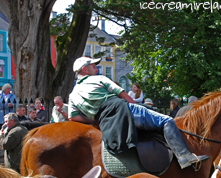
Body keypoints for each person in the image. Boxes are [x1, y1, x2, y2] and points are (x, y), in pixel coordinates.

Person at [68, 57, 208, 170]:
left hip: (106, 122)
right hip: (124, 111)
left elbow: (73, 117)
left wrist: (93, 121)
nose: (97, 69)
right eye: (93, 66)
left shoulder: (73, 95)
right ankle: (184, 157)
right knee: (166, 121)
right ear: (84, 69)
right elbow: (124, 96)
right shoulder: (99, 79)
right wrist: (139, 108)